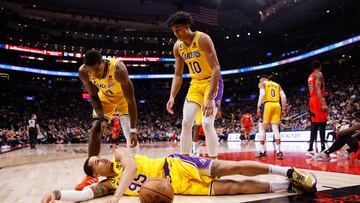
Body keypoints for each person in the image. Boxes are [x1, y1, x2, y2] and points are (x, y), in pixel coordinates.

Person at [41, 147, 317, 203]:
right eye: (96, 162)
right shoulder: (108, 184)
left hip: (177, 166)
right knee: (233, 189)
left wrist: (117, 195)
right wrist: (56, 194)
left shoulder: (117, 153)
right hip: (179, 188)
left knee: (231, 168)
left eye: (98, 156)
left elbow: (134, 168)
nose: (101, 158)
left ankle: (289, 171)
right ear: (95, 172)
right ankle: (286, 185)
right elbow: (85, 194)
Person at [76, 50, 138, 190]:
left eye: (97, 70)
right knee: (95, 130)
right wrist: (103, 118)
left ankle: (135, 171)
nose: (95, 74)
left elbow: (131, 99)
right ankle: (91, 176)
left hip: (124, 99)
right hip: (105, 99)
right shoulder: (83, 72)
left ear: (102, 62)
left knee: (130, 134)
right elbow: (93, 95)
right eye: (91, 71)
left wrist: (134, 129)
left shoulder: (118, 69)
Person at [166, 11, 223, 159]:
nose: (176, 33)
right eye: (173, 31)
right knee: (186, 123)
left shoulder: (202, 39)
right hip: (195, 84)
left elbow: (216, 68)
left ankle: (213, 162)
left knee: (207, 123)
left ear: (187, 26)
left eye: (178, 29)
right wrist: (172, 96)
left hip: (212, 82)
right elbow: (178, 74)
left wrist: (210, 98)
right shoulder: (177, 47)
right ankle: (185, 160)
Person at [256, 77, 287, 159]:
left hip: (267, 105)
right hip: (277, 105)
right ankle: (279, 152)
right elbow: (283, 96)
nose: (259, 82)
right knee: (275, 129)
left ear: (263, 80)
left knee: (262, 128)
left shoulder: (262, 83)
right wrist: (283, 108)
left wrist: (258, 106)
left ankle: (263, 151)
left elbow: (262, 94)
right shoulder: (277, 84)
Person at [306, 60, 328, 156]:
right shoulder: (318, 74)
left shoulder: (310, 76)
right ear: (320, 66)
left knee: (314, 124)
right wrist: (323, 103)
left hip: (312, 99)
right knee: (322, 124)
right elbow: (318, 89)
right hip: (318, 100)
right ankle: (323, 148)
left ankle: (310, 148)